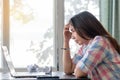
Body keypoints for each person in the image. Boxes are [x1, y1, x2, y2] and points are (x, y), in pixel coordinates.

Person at [62, 11, 120, 80]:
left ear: (83, 28)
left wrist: (79, 67)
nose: (72, 37)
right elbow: (68, 69)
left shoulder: (100, 42)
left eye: (73, 31)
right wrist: (66, 41)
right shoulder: (85, 47)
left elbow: (79, 72)